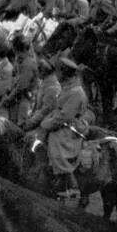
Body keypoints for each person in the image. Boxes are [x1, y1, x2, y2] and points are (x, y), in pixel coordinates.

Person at [35, 58, 90, 201]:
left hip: (72, 127)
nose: (56, 74)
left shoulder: (76, 92)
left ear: (63, 73)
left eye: (58, 71)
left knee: (55, 142)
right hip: (65, 121)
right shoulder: (68, 87)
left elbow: (64, 116)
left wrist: (46, 124)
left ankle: (72, 185)